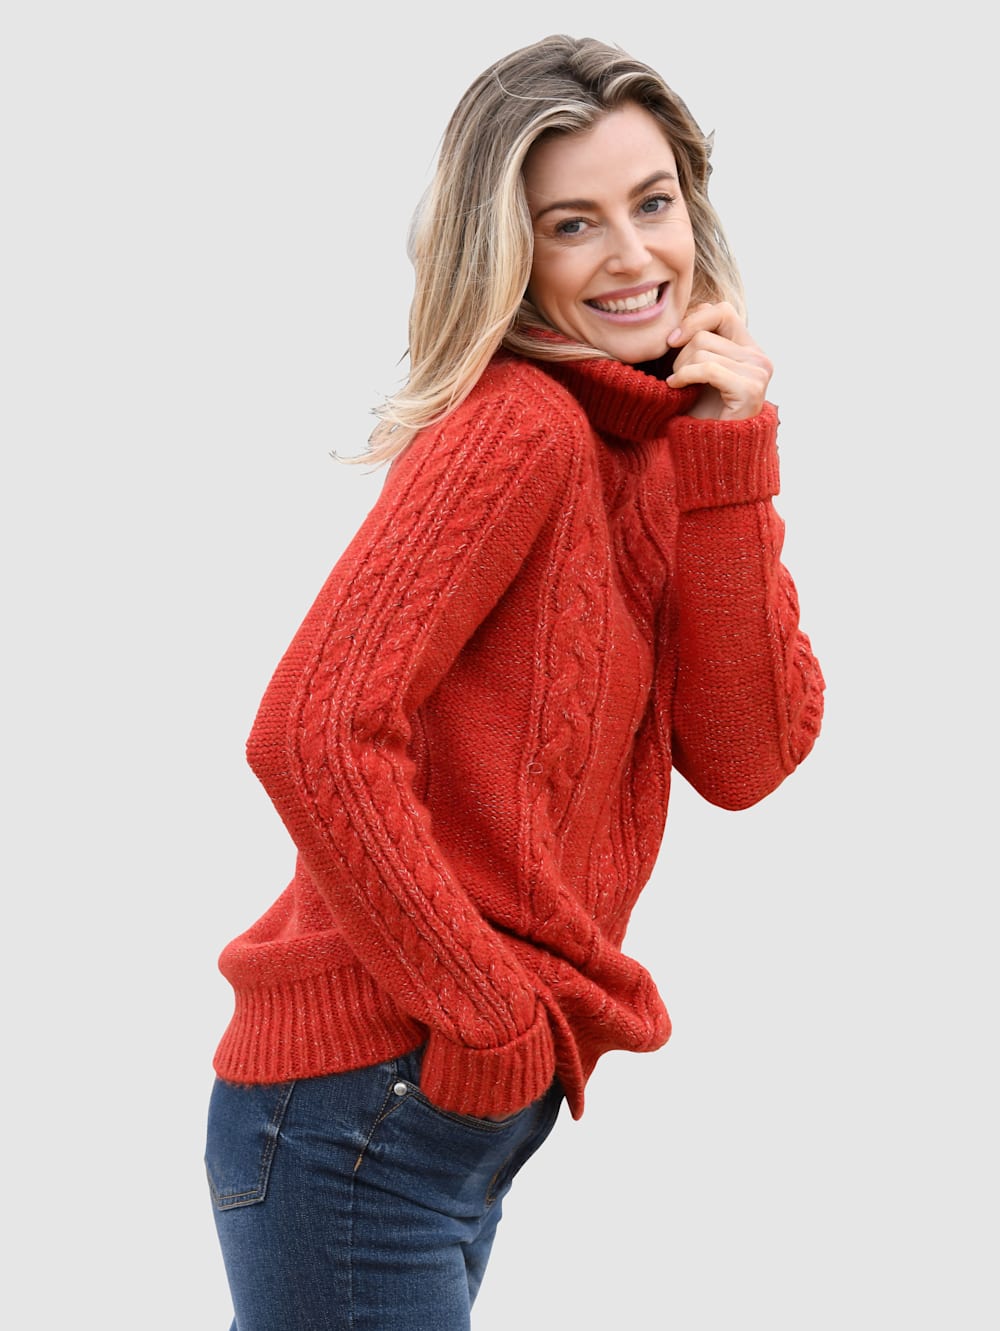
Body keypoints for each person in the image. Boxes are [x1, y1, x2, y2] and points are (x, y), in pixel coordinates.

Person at [205, 32, 825, 1331]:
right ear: (511, 252)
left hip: (423, 1118)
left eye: (653, 203)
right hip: (364, 1101)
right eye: (572, 224)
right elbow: (311, 731)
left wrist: (729, 456)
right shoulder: (518, 427)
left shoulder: (645, 445)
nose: (634, 256)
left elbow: (745, 756)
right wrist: (487, 1016)